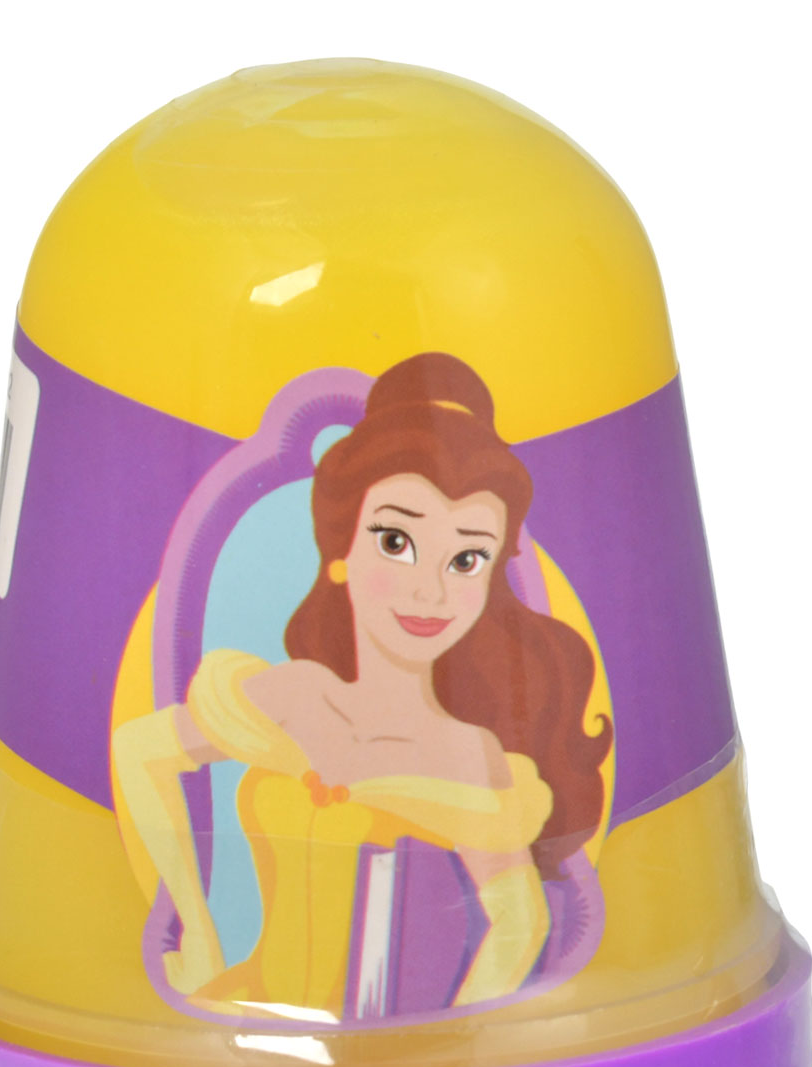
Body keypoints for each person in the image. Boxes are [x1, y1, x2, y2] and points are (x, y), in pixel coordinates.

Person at [112, 352, 612, 1020]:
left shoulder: (467, 755)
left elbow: (520, 924)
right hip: (241, 1019)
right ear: (342, 549)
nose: (429, 590)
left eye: (466, 560)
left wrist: (447, 1043)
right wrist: (195, 928)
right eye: (396, 542)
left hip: (390, 1048)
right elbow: (140, 750)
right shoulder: (294, 697)